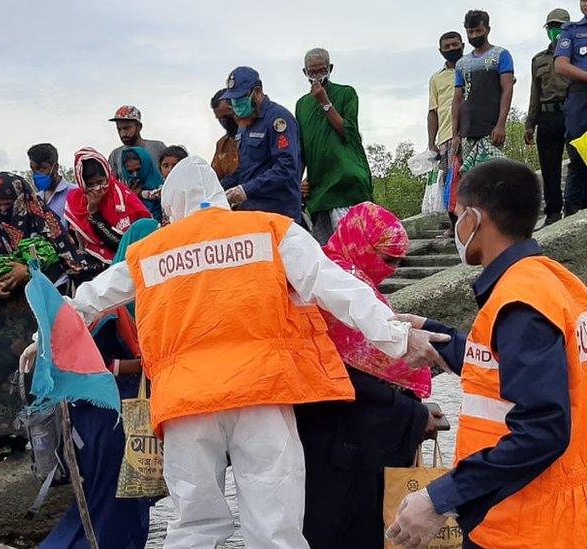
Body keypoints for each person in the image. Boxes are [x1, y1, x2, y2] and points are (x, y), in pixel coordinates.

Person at [22, 156, 449, 548]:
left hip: (186, 406)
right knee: (274, 523)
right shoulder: (270, 229)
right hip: (262, 395)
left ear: (172, 205)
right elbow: (336, 286)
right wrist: (399, 337)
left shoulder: (149, 251)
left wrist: (43, 341)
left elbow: (86, 302)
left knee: (193, 524)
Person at [387, 159, 587, 549]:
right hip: (534, 509)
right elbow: (506, 368)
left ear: (475, 219)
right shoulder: (551, 281)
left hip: (527, 521)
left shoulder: (519, 302)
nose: (455, 229)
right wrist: (438, 337)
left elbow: (542, 430)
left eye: (457, 216)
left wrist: (438, 497)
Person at [295, 202, 439, 549]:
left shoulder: (352, 280)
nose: (391, 269)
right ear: (359, 242)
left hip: (350, 439)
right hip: (338, 440)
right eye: (386, 259)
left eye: (398, 262)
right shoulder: (330, 286)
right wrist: (412, 413)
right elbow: (339, 372)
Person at [39, 218, 160, 549]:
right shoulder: (116, 310)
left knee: (102, 502)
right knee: (116, 504)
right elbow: (101, 363)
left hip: (103, 421)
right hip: (113, 423)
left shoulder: (108, 298)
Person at [0, 172, 84, 460]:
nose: (3, 206)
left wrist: (29, 271)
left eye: (8, 201)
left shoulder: (43, 222)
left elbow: (69, 261)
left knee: (30, 373)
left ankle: (36, 435)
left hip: (33, 314)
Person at [295, 48, 374, 244]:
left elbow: (348, 132)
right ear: (305, 73)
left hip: (346, 184)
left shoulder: (346, 93)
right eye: (312, 72)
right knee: (327, 252)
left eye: (321, 71)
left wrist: (325, 102)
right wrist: (297, 182)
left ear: (330, 68)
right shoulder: (302, 104)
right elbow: (302, 148)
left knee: (354, 247)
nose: (317, 76)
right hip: (319, 190)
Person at [220, 66, 305, 221]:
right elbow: (245, 169)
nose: (236, 105)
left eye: (240, 99)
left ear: (257, 93)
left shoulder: (278, 119)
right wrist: (219, 188)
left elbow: (286, 166)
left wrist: (246, 190)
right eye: (233, 100)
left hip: (279, 213)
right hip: (251, 213)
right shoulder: (243, 125)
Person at [64, 148, 151, 270]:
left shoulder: (123, 197)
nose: (98, 188)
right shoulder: (76, 202)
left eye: (100, 181)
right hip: (96, 268)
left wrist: (94, 215)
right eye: (91, 184)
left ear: (107, 175)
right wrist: (91, 210)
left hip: (131, 262)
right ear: (83, 184)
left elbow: (122, 244)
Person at [451, 10, 514, 177]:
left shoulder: (501, 55)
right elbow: (457, 99)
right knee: (471, 181)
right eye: (470, 32)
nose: (474, 35)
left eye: (478, 31)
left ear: (487, 29)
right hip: (467, 130)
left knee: (494, 178)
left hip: (491, 129)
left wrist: (501, 124)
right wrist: (455, 134)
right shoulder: (461, 63)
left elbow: (507, 89)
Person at [527, 8, 571, 227]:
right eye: (551, 27)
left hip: (572, 114)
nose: (555, 31)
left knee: (580, 163)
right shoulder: (539, 60)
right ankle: (553, 212)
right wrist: (529, 124)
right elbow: (534, 94)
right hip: (547, 117)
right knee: (549, 168)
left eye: (559, 27)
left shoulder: (577, 54)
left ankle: (575, 208)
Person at [429, 31, 466, 237]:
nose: (452, 49)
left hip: (471, 130)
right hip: (446, 136)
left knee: (472, 179)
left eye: (455, 45)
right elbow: (432, 110)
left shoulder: (472, 67)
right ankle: (455, 226)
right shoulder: (436, 78)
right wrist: (431, 142)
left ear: (462, 44)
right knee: (450, 182)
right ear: (441, 51)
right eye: (447, 46)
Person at [554, 0, 587, 216]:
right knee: (578, 153)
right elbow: (561, 65)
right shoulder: (571, 31)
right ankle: (573, 211)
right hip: (580, 96)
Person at [107, 105, 166, 177]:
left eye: (127, 128)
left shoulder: (157, 147)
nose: (123, 133)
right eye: (119, 129)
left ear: (139, 127)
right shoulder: (115, 155)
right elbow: (111, 182)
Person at [27, 143, 73, 223]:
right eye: (33, 169)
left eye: (41, 169)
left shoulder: (74, 193)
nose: (36, 174)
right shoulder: (36, 199)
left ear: (55, 167)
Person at [118, 146, 164, 222]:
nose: (135, 175)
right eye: (130, 172)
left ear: (146, 165)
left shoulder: (161, 185)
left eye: (138, 169)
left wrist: (140, 194)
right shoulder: (123, 192)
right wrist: (131, 197)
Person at [210, 89, 241, 190]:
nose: (224, 122)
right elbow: (212, 179)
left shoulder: (259, 135)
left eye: (227, 117)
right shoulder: (222, 145)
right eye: (220, 119)